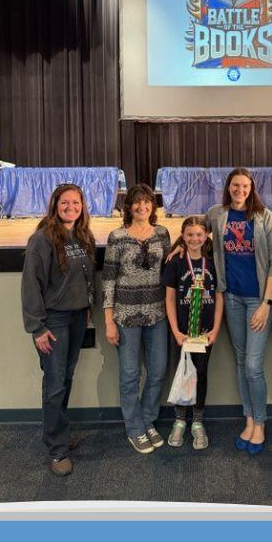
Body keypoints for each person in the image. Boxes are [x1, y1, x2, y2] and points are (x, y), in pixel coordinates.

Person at [169, 168, 272, 453]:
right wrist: (177, 247)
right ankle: (247, 419)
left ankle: (260, 422)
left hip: (257, 300)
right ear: (228, 188)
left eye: (244, 186)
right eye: (235, 185)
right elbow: (194, 231)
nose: (239, 190)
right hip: (230, 298)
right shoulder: (217, 214)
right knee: (242, 362)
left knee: (254, 367)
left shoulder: (264, 216)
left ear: (251, 188)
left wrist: (267, 304)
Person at [20, 183, 96, 477]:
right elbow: (30, 287)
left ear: (82, 206)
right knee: (54, 385)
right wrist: (37, 328)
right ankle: (57, 449)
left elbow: (86, 277)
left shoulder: (82, 235)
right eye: (65, 203)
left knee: (65, 377)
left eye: (75, 203)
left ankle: (58, 434)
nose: (70, 207)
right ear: (55, 205)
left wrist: (88, 304)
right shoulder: (41, 239)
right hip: (53, 322)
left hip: (77, 318)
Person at [102, 183, 171, 455]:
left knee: (157, 371)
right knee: (130, 374)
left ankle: (148, 420)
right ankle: (134, 428)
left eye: (147, 202)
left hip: (158, 314)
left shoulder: (162, 234)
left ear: (152, 206)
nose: (142, 207)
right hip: (126, 316)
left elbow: (170, 269)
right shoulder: (117, 236)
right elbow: (108, 281)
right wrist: (109, 321)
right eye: (137, 202)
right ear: (129, 206)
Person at [162, 216, 223, 450]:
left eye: (199, 235)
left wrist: (216, 329)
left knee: (201, 373)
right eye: (189, 235)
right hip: (182, 334)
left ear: (206, 235)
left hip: (206, 333)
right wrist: (176, 331)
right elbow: (169, 298)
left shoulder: (213, 261)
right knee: (182, 373)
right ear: (183, 236)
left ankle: (197, 421)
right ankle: (179, 419)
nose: (194, 239)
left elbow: (219, 297)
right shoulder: (176, 262)